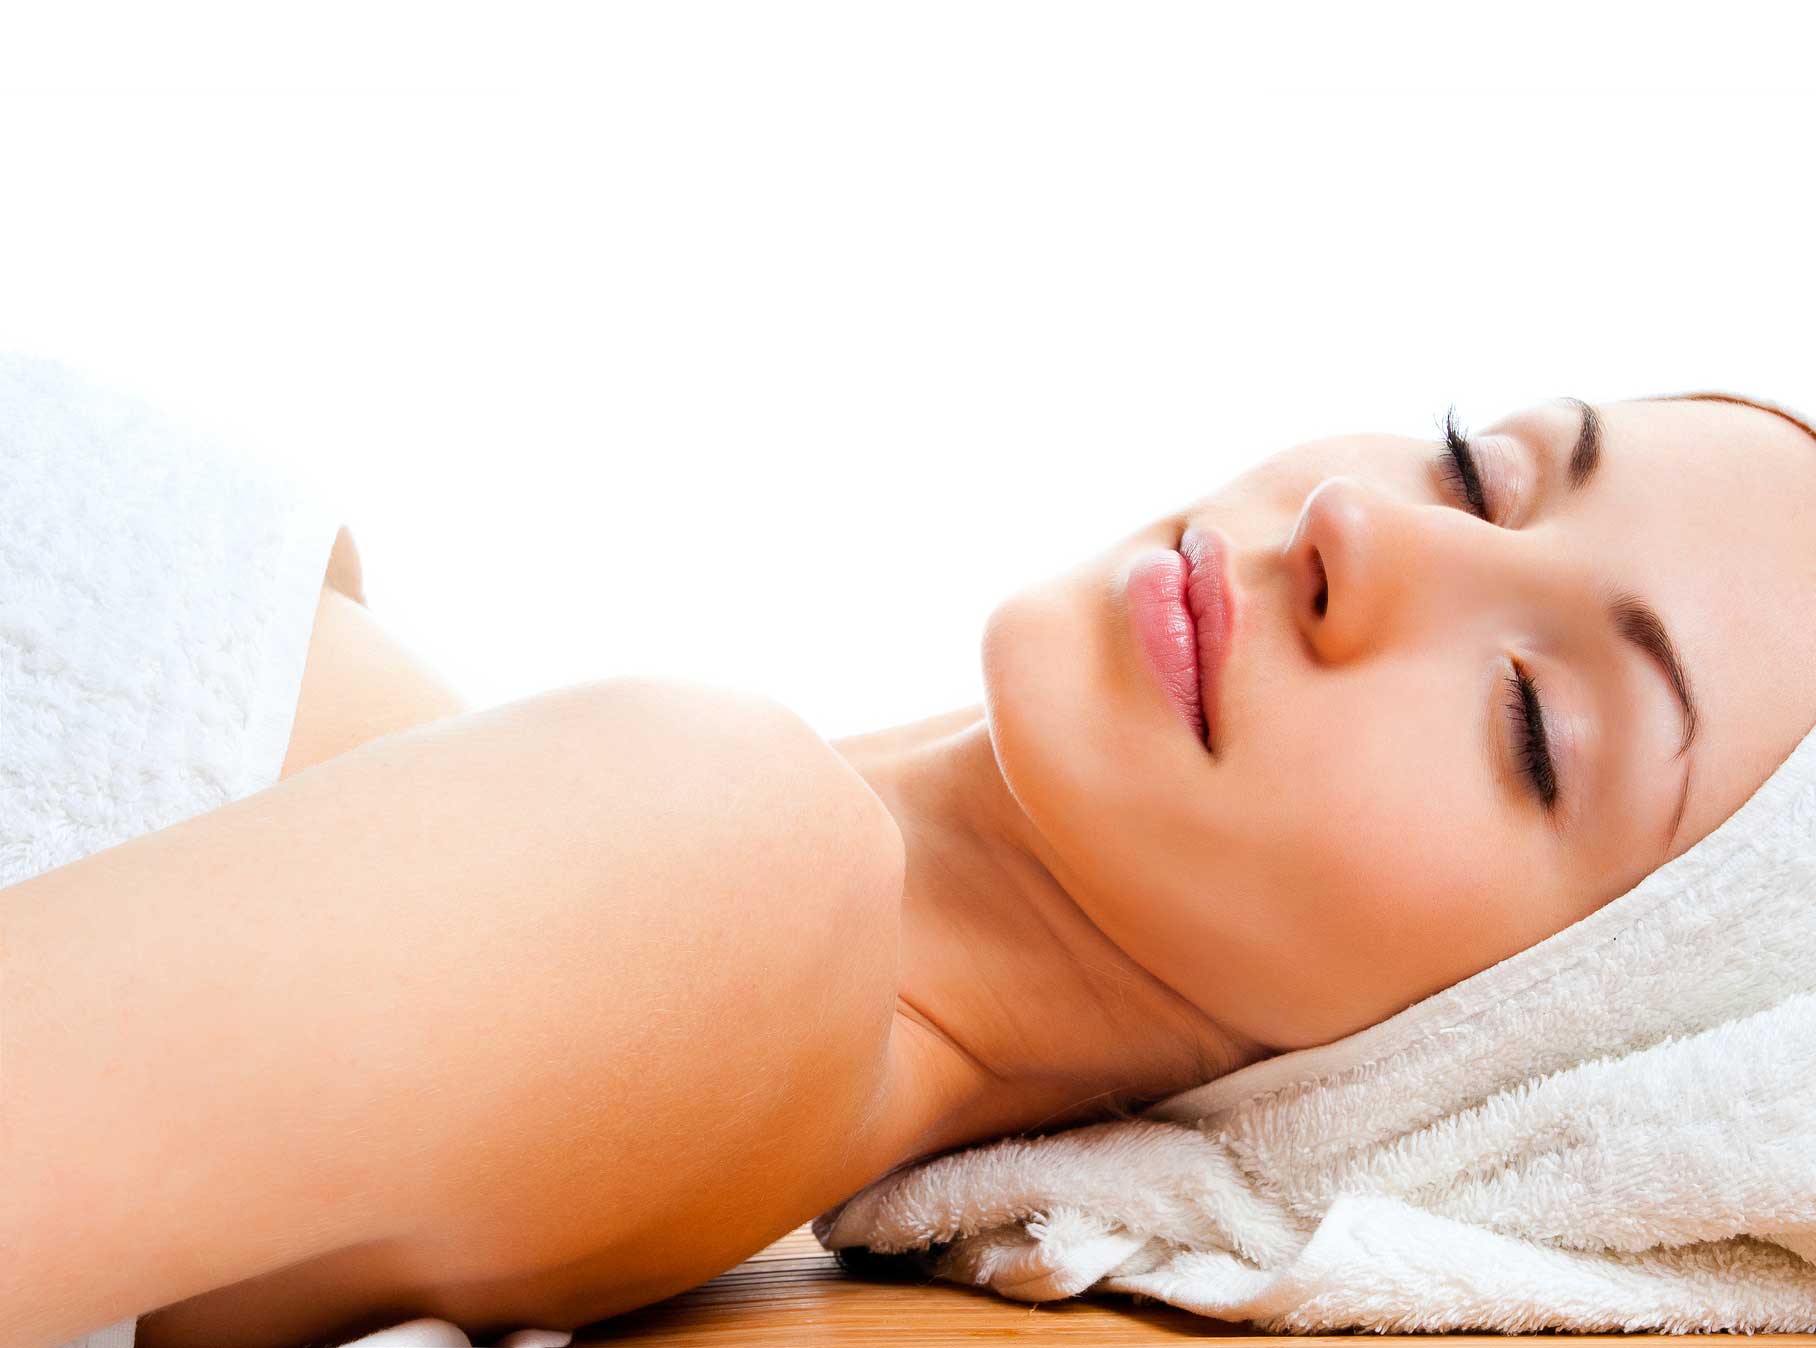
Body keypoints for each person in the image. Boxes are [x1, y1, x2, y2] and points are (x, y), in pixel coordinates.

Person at [14, 391, 1816, 1348]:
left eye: (1531, 728)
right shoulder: (603, 882)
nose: (1371, 534)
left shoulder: (714, 868)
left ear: (1508, 1052)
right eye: (1476, 469)